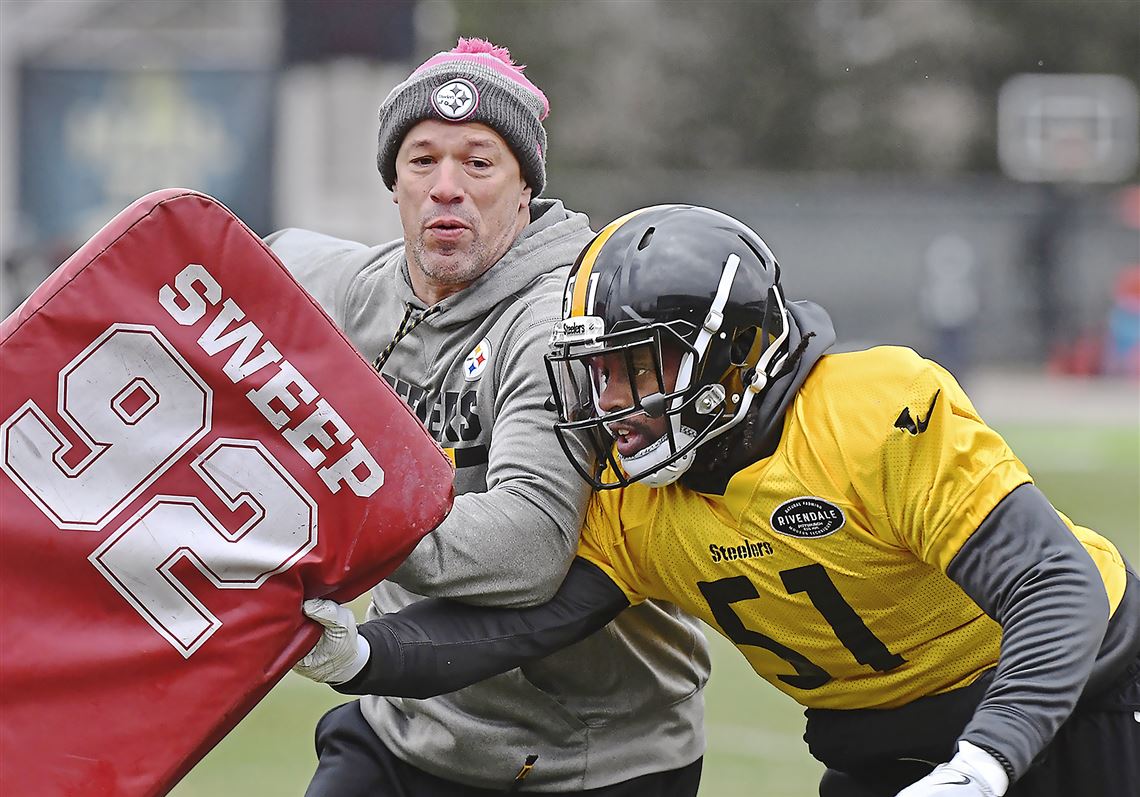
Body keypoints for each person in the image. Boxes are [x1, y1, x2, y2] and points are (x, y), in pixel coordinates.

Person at [294, 205, 1140, 797]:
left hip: (1076, 697)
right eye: (598, 368)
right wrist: (365, 656)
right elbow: (516, 624)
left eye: (637, 365)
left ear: (729, 356)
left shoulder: (871, 410)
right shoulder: (636, 499)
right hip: (882, 742)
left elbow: (1054, 587)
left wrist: (989, 755)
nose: (609, 398)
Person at [269, 42, 710, 795]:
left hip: (586, 751)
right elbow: (230, 264)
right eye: (421, 161)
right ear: (393, 184)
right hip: (402, 721)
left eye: (478, 164)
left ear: (523, 189)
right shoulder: (359, 289)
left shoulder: (561, 321)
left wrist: (321, 517)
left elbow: (527, 543)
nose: (447, 188)